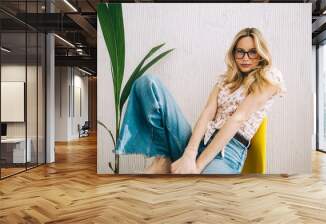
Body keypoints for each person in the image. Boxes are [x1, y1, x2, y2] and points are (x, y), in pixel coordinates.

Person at [115, 27, 286, 174]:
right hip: (198, 142)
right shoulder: (225, 80)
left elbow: (237, 119)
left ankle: (181, 165)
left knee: (200, 189)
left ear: (261, 54)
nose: (245, 57)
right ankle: (163, 158)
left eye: (252, 52)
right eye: (240, 51)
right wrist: (190, 153)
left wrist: (197, 166)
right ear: (233, 53)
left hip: (229, 152)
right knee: (147, 84)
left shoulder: (269, 77)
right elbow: (208, 113)